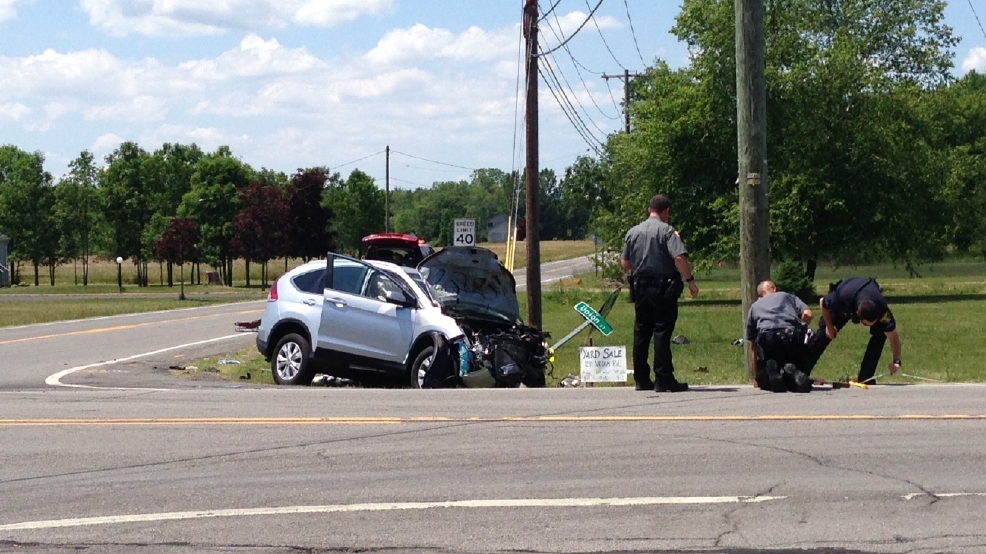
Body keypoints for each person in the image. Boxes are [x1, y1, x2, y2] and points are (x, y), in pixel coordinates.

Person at [621, 194, 699, 393]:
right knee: (662, 331)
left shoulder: (633, 232)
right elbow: (679, 258)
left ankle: (641, 378)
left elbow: (625, 263)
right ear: (666, 211)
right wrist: (690, 281)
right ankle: (663, 378)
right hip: (663, 287)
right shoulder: (667, 231)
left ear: (649, 210)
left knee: (641, 331)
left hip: (640, 287)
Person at [803, 277, 902, 384]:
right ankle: (802, 371)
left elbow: (893, 337)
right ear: (858, 315)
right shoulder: (843, 297)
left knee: (880, 334)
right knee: (824, 335)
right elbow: (823, 302)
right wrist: (829, 326)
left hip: (866, 293)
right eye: (865, 324)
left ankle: (866, 377)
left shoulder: (882, 310)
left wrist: (896, 361)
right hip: (847, 298)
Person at [745, 280, 814, 393]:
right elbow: (808, 314)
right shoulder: (787, 296)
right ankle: (791, 370)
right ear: (774, 289)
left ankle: (770, 371)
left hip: (768, 339)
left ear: (759, 295)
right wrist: (801, 328)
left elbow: (753, 345)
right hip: (791, 336)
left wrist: (757, 376)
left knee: (766, 373)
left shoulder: (754, 307)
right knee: (795, 375)